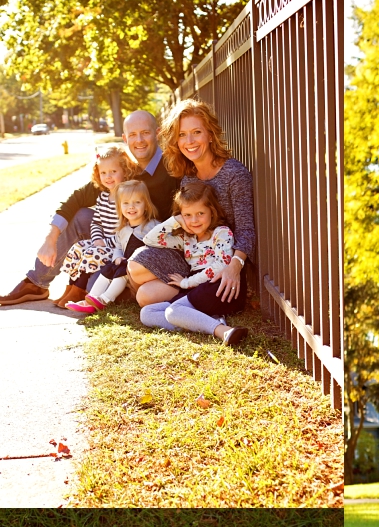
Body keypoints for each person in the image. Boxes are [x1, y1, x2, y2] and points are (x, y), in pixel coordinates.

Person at [0, 110, 180, 307]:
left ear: (157, 132)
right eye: (132, 135)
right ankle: (36, 282)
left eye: (145, 133)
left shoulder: (172, 168)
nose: (139, 140)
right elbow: (76, 199)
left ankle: (87, 286)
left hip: (145, 250)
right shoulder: (124, 170)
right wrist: (50, 238)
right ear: (124, 138)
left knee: (96, 285)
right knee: (81, 215)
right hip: (116, 240)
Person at [128, 99, 253, 323]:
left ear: (210, 134)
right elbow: (184, 227)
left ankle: (186, 308)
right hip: (191, 255)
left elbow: (246, 230)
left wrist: (235, 266)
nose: (190, 141)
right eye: (183, 134)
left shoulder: (235, 174)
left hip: (220, 259)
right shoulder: (189, 176)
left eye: (196, 132)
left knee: (147, 296)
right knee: (135, 266)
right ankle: (186, 300)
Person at [136, 181, 247, 345]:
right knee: (147, 313)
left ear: (212, 211)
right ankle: (202, 321)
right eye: (187, 215)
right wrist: (175, 220)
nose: (194, 220)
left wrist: (187, 282)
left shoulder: (221, 233)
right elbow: (149, 239)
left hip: (220, 285)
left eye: (200, 213)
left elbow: (221, 266)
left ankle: (222, 331)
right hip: (198, 289)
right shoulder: (186, 238)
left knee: (174, 311)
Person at [54, 144, 136, 308]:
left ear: (125, 171)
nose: (108, 177)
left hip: (118, 247)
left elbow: (127, 231)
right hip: (102, 243)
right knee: (78, 248)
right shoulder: (103, 197)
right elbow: (96, 222)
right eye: (104, 173)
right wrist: (97, 239)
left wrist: (103, 243)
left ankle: (79, 288)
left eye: (113, 172)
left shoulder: (127, 198)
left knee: (92, 252)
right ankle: (70, 286)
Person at [67, 179, 160, 314]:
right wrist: (117, 257)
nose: (131, 207)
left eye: (137, 202)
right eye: (126, 203)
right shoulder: (123, 230)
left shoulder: (152, 226)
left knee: (122, 270)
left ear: (146, 205)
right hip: (124, 265)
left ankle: (105, 299)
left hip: (140, 269)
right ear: (120, 207)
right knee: (109, 268)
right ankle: (90, 300)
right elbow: (118, 247)